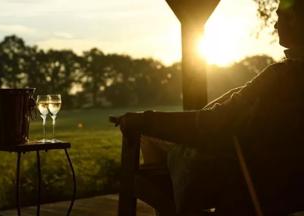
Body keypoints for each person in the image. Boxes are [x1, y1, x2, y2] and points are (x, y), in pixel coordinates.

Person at [118, 0, 304, 215]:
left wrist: (144, 120)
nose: (274, 25)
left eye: (281, 16)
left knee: (148, 135)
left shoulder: (281, 77)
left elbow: (211, 123)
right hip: (290, 185)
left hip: (246, 181)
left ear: (296, 21)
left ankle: (177, 204)